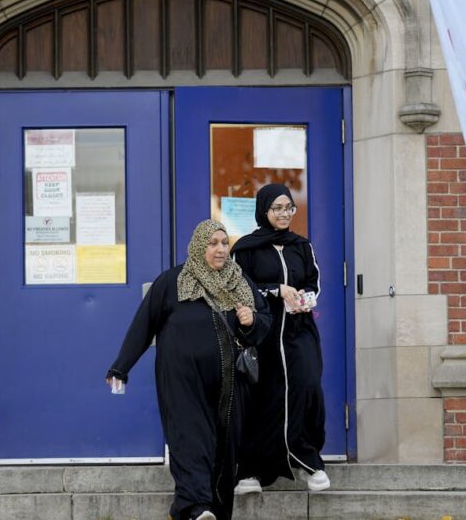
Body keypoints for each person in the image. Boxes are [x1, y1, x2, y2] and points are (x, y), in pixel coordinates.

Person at [106, 219, 272, 520]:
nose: (220, 249)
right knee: (191, 441)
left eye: (224, 243)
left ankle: (213, 511)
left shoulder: (241, 282)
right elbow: (143, 325)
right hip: (182, 382)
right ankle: (195, 506)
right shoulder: (172, 283)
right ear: (199, 246)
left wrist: (253, 320)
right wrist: (121, 367)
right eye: (213, 243)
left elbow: (264, 324)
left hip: (230, 386)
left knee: (225, 450)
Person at [230, 183, 330, 495]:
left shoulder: (302, 246)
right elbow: (239, 288)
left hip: (299, 332)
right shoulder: (245, 249)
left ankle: (309, 460)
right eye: (278, 208)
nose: (284, 214)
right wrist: (276, 289)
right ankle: (253, 472)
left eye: (289, 207)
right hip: (264, 334)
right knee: (265, 396)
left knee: (307, 386)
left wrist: (305, 297)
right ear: (264, 211)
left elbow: (314, 284)